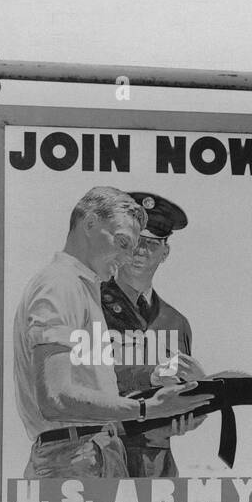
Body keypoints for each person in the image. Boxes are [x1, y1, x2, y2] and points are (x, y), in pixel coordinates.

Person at [13, 186, 210, 479]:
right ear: (90, 223)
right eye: (122, 242)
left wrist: (176, 401)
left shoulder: (80, 286)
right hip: (74, 456)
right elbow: (55, 397)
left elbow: (93, 386)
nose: (128, 256)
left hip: (93, 451)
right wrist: (149, 407)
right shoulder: (61, 286)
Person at [100, 191, 205, 478]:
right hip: (102, 455)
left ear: (165, 252)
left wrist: (197, 406)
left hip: (159, 465)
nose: (141, 251)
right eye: (134, 241)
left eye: (152, 243)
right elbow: (85, 380)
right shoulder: (88, 308)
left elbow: (182, 394)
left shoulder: (176, 322)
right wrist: (152, 375)